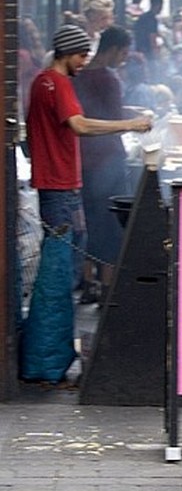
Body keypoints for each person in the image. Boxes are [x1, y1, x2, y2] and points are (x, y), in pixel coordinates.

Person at [23, 25, 152, 381]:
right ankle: (47, 359)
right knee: (58, 271)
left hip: (57, 182)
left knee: (65, 263)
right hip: (59, 183)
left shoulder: (40, 81)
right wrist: (129, 124)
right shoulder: (57, 83)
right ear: (67, 53)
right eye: (81, 55)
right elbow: (78, 125)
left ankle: (51, 355)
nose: (84, 62)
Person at [71, 26, 134, 304]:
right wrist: (135, 120)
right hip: (108, 161)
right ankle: (108, 290)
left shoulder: (78, 75)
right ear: (114, 49)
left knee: (88, 223)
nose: (124, 59)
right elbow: (115, 121)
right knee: (110, 225)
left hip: (82, 161)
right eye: (124, 53)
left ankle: (88, 284)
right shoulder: (109, 79)